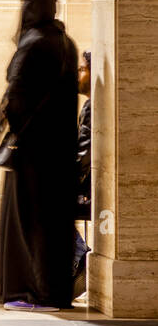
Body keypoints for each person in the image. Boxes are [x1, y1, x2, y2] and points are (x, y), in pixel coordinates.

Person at [0, 0, 79, 312]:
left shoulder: (33, 44)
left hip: (32, 154)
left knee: (30, 222)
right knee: (55, 223)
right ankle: (55, 293)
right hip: (62, 152)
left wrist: (12, 128)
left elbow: (16, 96)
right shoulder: (65, 43)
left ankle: (32, 293)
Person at [73, 50, 92, 298]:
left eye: (83, 68)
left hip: (87, 189)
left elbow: (84, 153)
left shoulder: (91, 106)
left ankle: (79, 255)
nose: (79, 73)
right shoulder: (90, 104)